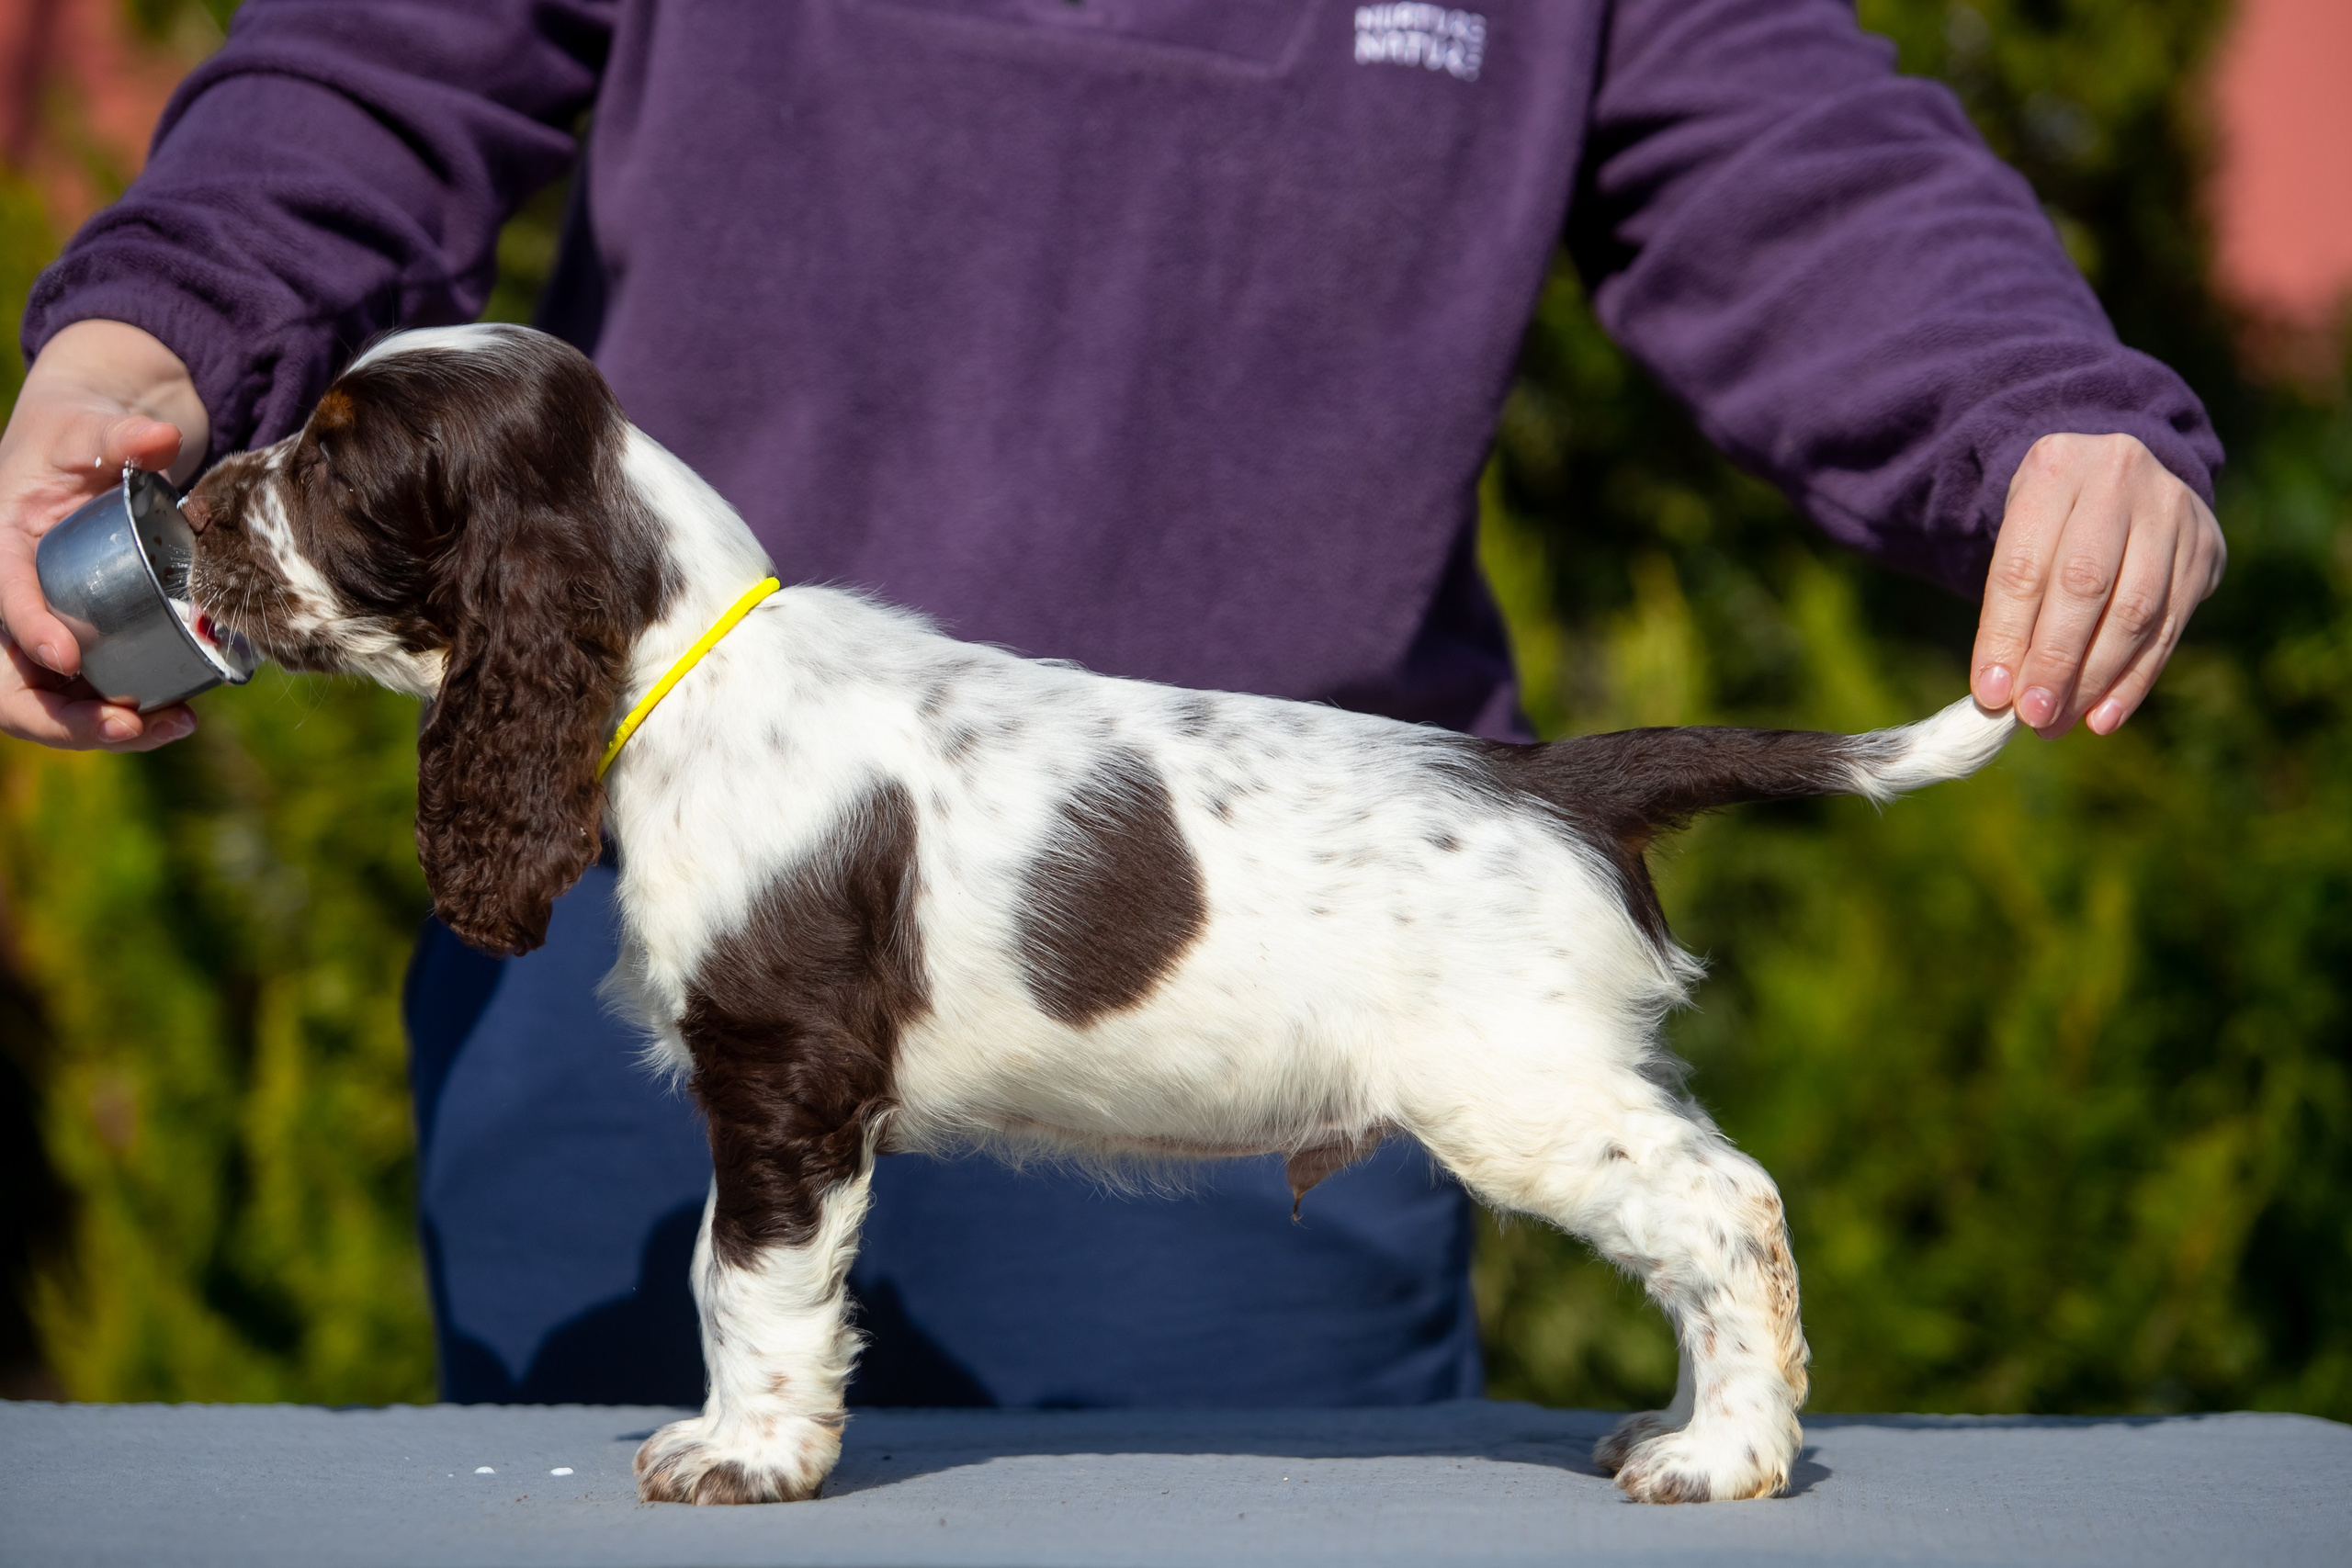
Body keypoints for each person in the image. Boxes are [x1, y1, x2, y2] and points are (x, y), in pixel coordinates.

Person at [2, 0, 2223, 1407]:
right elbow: (375, 63)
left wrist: (2037, 417)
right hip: (636, 927)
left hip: (1265, 975)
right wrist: (161, 327)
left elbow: (1792, 154)